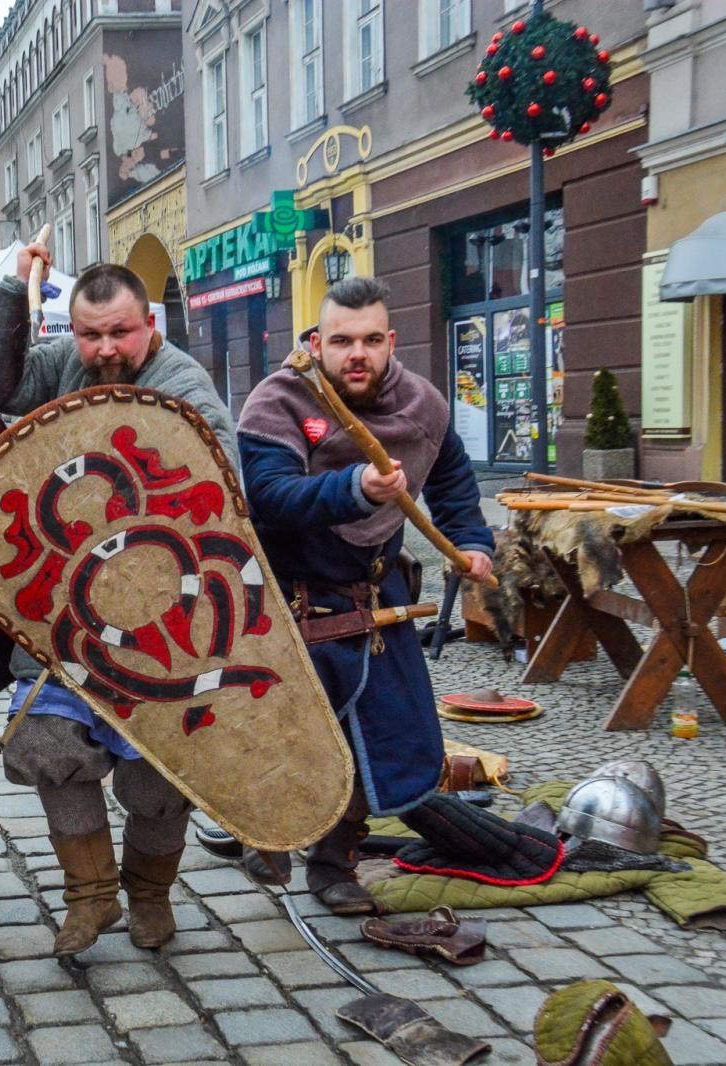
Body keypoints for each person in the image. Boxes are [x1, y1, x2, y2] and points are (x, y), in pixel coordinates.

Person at [0, 244, 237, 956]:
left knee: (160, 772)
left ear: (149, 323)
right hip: (63, 608)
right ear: (74, 331)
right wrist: (10, 293)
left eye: (121, 332)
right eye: (92, 334)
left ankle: (150, 896)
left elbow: (223, 493)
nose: (107, 349)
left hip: (162, 611)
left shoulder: (184, 387)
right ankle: (90, 900)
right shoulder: (64, 367)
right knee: (49, 742)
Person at [235, 276, 494, 914]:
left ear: (390, 342)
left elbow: (454, 481)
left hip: (371, 603)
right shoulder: (279, 400)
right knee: (282, 734)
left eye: (372, 340)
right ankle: (268, 829)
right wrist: (355, 488)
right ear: (317, 342)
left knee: (377, 739)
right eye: (343, 340)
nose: (359, 354)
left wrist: (471, 540)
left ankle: (334, 864)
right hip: (287, 604)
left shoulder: (421, 405)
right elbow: (269, 495)